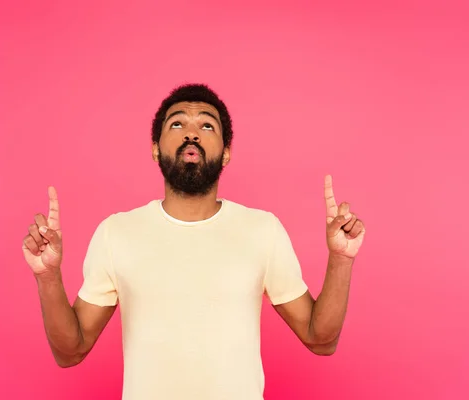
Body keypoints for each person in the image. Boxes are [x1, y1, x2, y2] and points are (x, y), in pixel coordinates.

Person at [22, 83, 366, 400]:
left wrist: (341, 259)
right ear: (156, 150)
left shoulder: (262, 230)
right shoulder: (117, 233)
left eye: (206, 125)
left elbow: (320, 340)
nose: (191, 133)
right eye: (177, 124)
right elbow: (70, 351)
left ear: (226, 152)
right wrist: (48, 275)